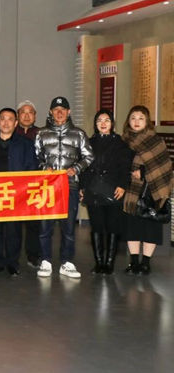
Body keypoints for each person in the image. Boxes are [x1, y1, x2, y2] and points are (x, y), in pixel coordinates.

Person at [35, 96, 93, 279]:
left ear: (69, 112)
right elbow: (35, 157)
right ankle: (45, 260)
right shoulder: (42, 134)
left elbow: (89, 156)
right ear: (51, 112)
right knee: (45, 226)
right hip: (48, 186)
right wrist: (44, 167)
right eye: (56, 110)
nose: (59, 113)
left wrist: (76, 169)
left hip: (70, 185)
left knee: (68, 227)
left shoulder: (79, 134)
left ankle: (66, 262)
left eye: (63, 110)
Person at [0, 108, 38, 276]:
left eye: (10, 119)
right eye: (3, 119)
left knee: (14, 230)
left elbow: (31, 167)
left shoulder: (25, 143)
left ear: (15, 123)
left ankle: (13, 263)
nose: (6, 123)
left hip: (16, 193)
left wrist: (25, 189)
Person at [121, 105, 173, 275]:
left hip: (152, 189)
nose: (136, 121)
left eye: (141, 118)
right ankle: (133, 262)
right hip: (131, 189)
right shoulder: (124, 141)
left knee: (151, 227)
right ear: (128, 121)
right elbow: (120, 163)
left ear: (147, 121)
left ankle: (145, 263)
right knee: (133, 227)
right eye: (133, 118)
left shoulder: (156, 141)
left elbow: (164, 166)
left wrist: (143, 172)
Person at [80, 109, 131, 275]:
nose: (103, 123)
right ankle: (99, 263)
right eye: (99, 120)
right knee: (97, 227)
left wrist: (122, 185)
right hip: (93, 190)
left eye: (107, 120)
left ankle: (109, 263)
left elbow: (125, 167)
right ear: (95, 124)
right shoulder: (88, 142)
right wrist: (82, 187)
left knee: (112, 227)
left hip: (114, 190)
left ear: (112, 123)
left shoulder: (120, 143)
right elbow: (83, 167)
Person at [15, 99, 42, 267]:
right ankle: (13, 257)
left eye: (30, 112)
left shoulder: (42, 134)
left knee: (34, 224)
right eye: (23, 112)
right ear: (17, 116)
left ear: (35, 116)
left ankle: (33, 256)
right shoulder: (10, 132)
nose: (26, 116)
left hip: (35, 186)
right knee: (14, 225)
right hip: (14, 187)